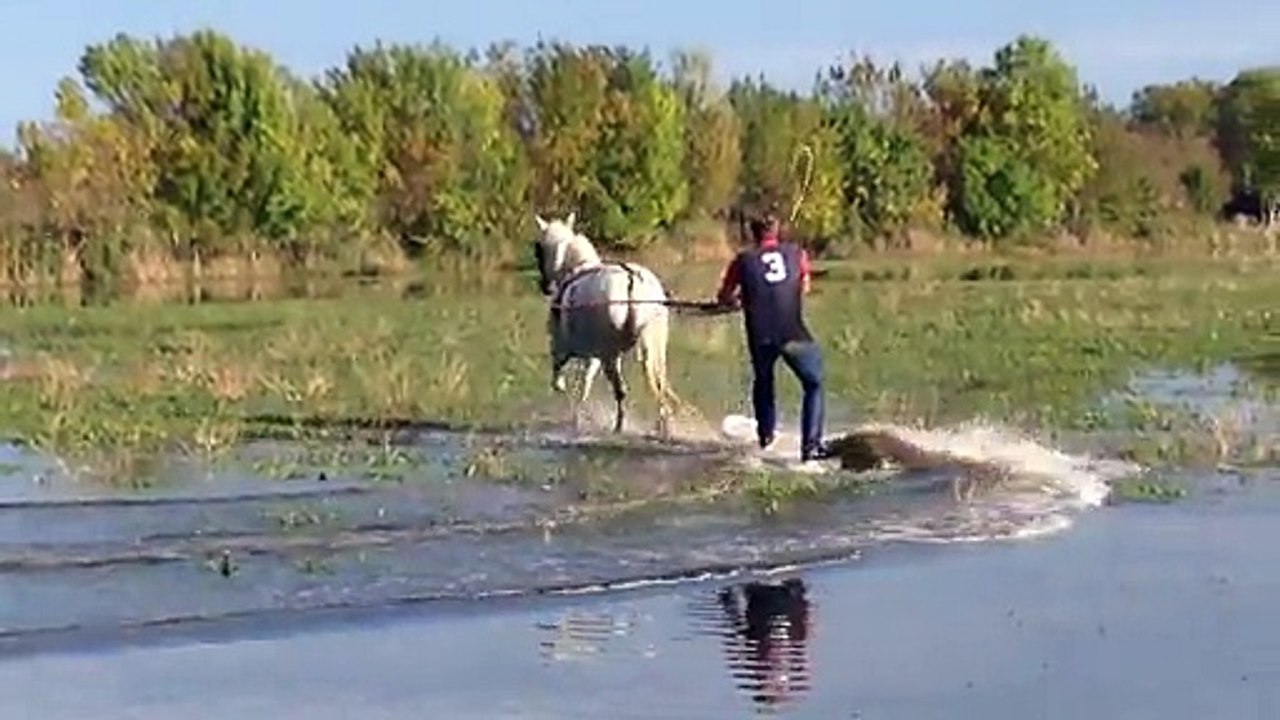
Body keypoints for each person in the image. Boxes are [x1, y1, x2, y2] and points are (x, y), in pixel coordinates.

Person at [715, 210, 831, 462]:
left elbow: (723, 297)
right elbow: (805, 286)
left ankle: (765, 437)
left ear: (753, 234)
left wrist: (741, 299)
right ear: (776, 231)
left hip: (761, 334)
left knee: (763, 380)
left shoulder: (742, 260)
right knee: (814, 383)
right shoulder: (797, 253)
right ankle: (811, 447)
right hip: (792, 332)